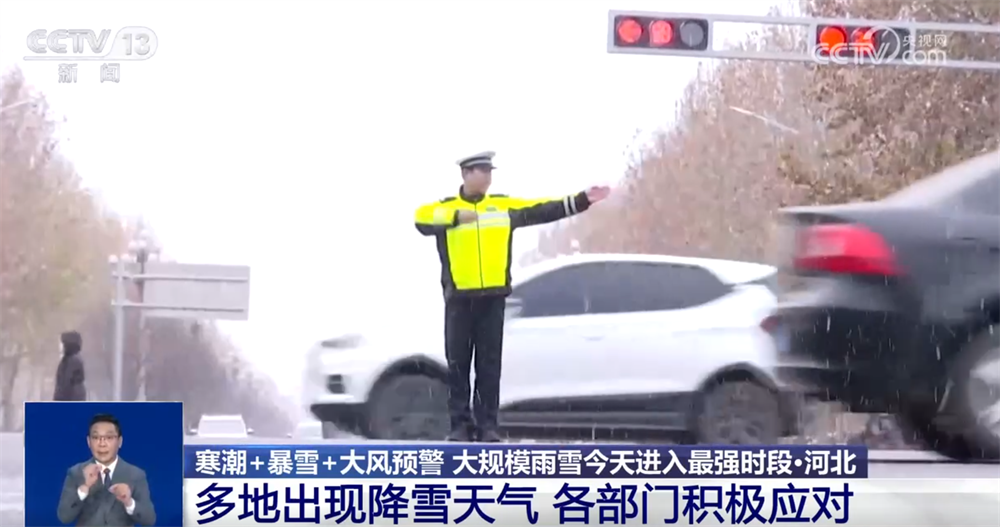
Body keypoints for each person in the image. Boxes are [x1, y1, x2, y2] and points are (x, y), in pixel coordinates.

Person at [414, 151, 610, 442]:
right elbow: (421, 218)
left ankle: (487, 426)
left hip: (493, 299)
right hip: (459, 300)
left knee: (489, 367)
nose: (487, 176)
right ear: (465, 174)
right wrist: (455, 217)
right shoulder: (445, 208)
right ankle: (459, 426)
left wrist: (581, 200)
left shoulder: (502, 207)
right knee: (458, 366)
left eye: (489, 171)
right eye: (482, 171)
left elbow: (543, 208)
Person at [57, 413, 157, 527]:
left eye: (109, 437)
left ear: (120, 441)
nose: (102, 443)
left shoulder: (135, 475)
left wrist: (129, 502)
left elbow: (149, 520)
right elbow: (64, 517)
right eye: (96, 437)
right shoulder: (76, 473)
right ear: (88, 442)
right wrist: (84, 488)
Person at [54, 331, 87, 401]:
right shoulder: (66, 361)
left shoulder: (74, 362)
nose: (61, 346)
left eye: (63, 343)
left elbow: (77, 389)